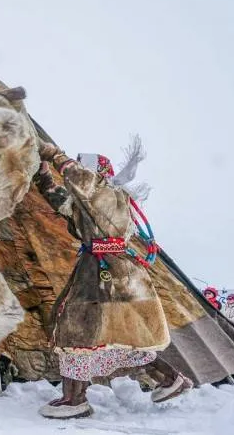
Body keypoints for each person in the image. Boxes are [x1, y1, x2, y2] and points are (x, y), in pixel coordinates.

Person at [33, 141, 191, 419]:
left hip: (109, 273)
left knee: (79, 331)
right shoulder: (92, 204)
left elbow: (81, 181)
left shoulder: (107, 195)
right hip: (100, 271)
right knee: (115, 335)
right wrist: (42, 175)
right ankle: (167, 379)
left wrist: (55, 155)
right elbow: (62, 202)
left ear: (96, 174)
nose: (78, 173)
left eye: (85, 169)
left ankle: (75, 398)